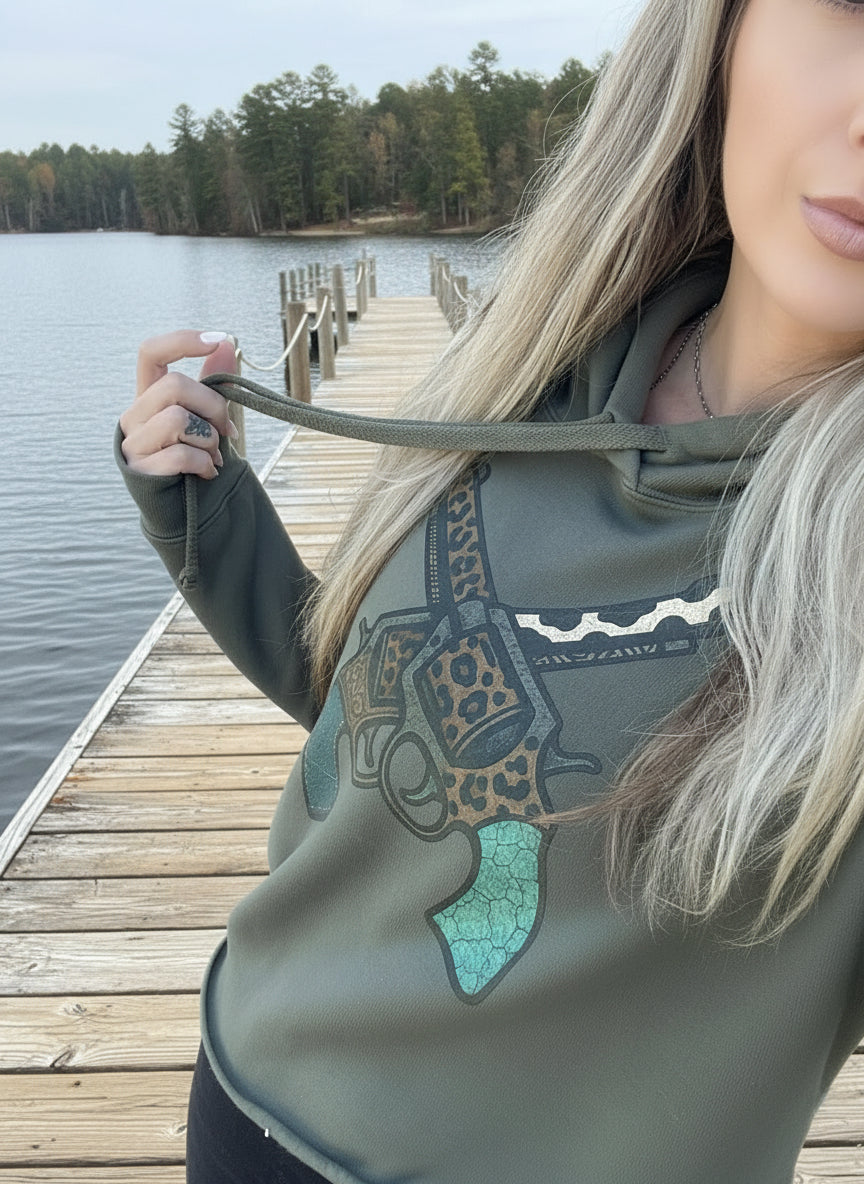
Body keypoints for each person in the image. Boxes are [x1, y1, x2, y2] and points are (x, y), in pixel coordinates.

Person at [116, 0, 864, 1180]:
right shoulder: (530, 371)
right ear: (720, 32)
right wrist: (203, 509)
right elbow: (371, 710)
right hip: (246, 1086)